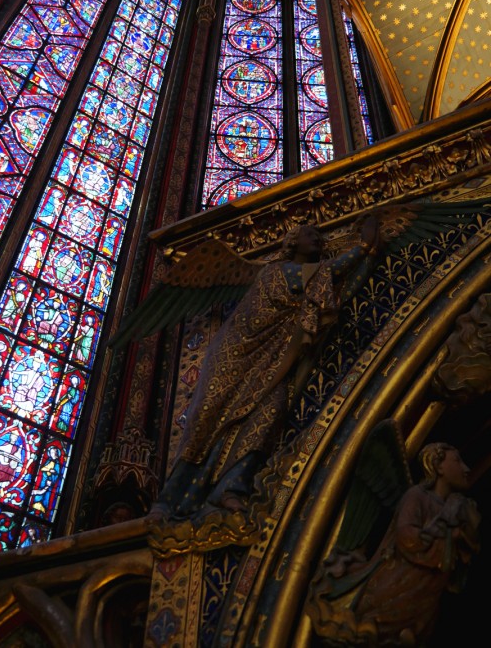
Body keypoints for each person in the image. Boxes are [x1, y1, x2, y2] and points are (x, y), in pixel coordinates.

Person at [150, 217, 380, 519]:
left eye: (319, 236)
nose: (317, 238)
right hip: (234, 357)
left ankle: (230, 489)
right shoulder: (276, 271)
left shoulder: (314, 276)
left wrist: (369, 251)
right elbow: (330, 271)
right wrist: (363, 245)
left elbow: (334, 285)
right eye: (310, 233)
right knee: (207, 419)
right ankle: (170, 499)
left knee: (271, 410)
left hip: (274, 361)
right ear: (292, 241)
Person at [307, 442, 481, 646]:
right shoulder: (417, 496)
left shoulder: (457, 508)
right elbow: (406, 535)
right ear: (438, 466)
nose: (465, 468)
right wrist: (447, 536)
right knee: (371, 628)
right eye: (457, 461)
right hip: (398, 584)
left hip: (425, 598)